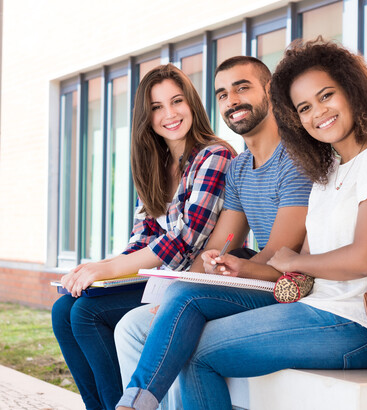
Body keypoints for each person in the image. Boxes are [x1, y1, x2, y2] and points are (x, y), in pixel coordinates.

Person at [116, 39, 367, 410]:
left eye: (327, 96)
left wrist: (293, 261)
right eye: (305, 107)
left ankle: (133, 405)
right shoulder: (328, 171)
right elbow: (302, 261)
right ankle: (133, 402)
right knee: (190, 318)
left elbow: (364, 258)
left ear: (352, 90)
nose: (318, 113)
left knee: (197, 348)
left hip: (364, 323)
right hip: (317, 305)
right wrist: (243, 266)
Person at [114, 56, 312, 409]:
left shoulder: (295, 158)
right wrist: (185, 286)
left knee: (185, 310)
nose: (232, 99)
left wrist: (228, 269)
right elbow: (221, 245)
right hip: (253, 279)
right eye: (222, 94)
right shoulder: (238, 168)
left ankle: (135, 403)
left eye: (242, 87)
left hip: (285, 285)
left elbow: (280, 255)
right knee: (132, 325)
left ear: (270, 90)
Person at [51, 64, 235, 410]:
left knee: (86, 314)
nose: (170, 114)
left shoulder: (214, 155)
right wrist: (99, 270)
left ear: (192, 103)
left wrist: (105, 270)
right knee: (64, 309)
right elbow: (143, 237)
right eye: (157, 107)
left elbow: (184, 242)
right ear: (145, 116)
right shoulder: (155, 164)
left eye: (177, 101)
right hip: (157, 278)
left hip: (190, 278)